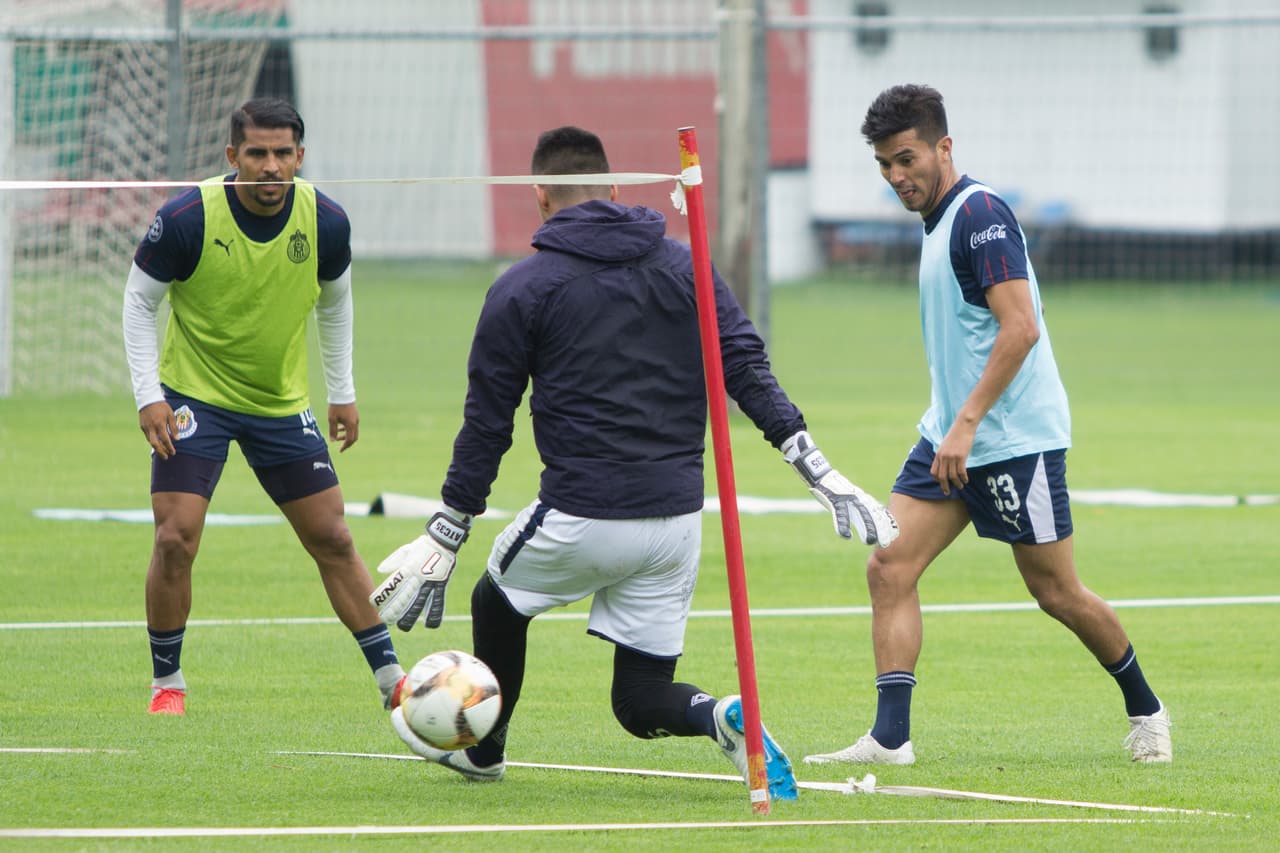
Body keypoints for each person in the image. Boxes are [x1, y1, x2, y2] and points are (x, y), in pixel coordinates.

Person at [368, 126, 898, 798]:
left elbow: (488, 422)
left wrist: (449, 527)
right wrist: (815, 466)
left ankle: (485, 751)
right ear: (616, 191)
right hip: (677, 521)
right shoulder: (686, 265)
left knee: (494, 598)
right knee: (640, 697)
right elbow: (746, 367)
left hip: (582, 513)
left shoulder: (522, 287)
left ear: (539, 198)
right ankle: (721, 715)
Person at [804, 84, 1171, 767]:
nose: (895, 176)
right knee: (889, 566)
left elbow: (1021, 327)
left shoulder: (981, 216)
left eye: (906, 158)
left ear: (944, 147)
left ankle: (1147, 708)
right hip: (948, 436)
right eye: (884, 165)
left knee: (1054, 590)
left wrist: (968, 421)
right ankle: (890, 739)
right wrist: (953, 424)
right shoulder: (938, 222)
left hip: (1010, 442)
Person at [122, 97, 403, 716]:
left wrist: (344, 391)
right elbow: (140, 303)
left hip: (279, 401)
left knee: (332, 536)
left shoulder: (326, 221)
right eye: (258, 154)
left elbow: (336, 304)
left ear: (300, 156)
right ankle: (167, 684)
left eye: (283, 154)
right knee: (176, 537)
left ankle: (394, 683)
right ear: (233, 156)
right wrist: (149, 396)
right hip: (193, 395)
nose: (271, 167)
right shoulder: (188, 216)